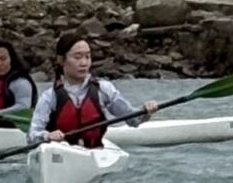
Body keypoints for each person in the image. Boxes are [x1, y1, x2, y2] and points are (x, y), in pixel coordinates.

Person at [29, 33, 158, 148]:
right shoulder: (50, 97)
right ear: (61, 60)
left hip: (94, 151)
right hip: (60, 154)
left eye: (87, 57)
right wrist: (47, 136)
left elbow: (133, 120)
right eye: (77, 57)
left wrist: (146, 110)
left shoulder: (104, 89)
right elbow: (32, 136)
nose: (84, 63)